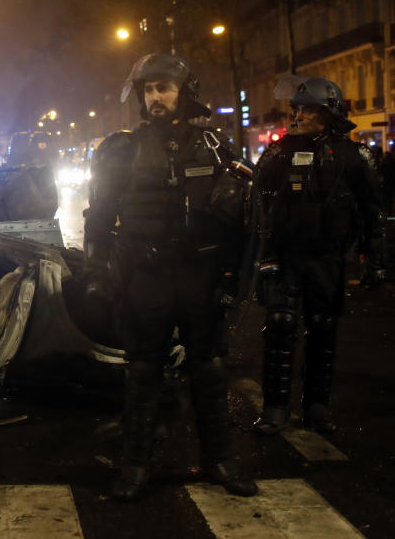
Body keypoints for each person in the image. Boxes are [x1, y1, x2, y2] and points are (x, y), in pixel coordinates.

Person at [83, 53, 257, 501]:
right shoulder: (121, 149)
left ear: (184, 92)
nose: (155, 97)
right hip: (146, 275)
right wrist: (97, 273)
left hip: (199, 275)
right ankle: (136, 464)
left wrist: (232, 276)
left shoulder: (215, 146)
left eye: (164, 87)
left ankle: (221, 459)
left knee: (210, 367)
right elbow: (99, 218)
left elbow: (245, 222)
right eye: (148, 90)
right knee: (143, 369)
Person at [253, 76, 385, 435]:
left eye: (307, 109)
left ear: (328, 112)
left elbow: (374, 210)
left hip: (327, 258)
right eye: (296, 108)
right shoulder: (279, 153)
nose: (298, 115)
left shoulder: (355, 156)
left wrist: (376, 259)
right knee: (279, 327)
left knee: (323, 331)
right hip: (285, 257)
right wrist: (258, 256)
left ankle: (317, 407)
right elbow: (257, 206)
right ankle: (275, 409)